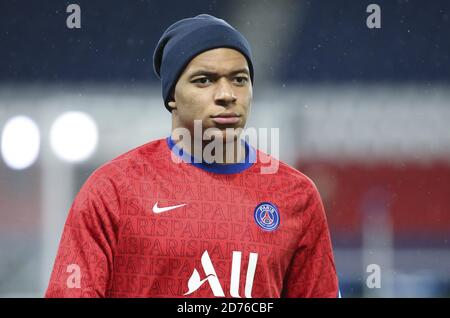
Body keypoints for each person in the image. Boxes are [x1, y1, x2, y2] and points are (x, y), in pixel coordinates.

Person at [45, 14, 339, 298]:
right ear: (172, 95)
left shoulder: (296, 195)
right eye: (204, 80)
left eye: (239, 79)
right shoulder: (114, 191)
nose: (226, 94)